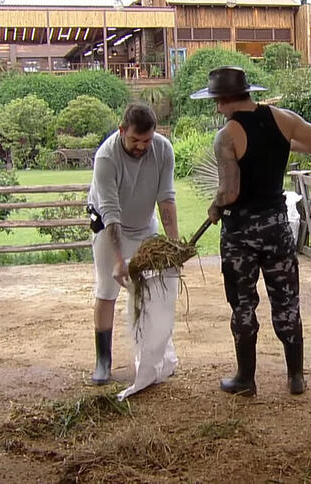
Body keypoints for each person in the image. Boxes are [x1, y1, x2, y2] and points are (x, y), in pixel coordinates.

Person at [190, 66, 311, 396]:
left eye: (216, 101)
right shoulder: (282, 118)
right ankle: (295, 376)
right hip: (277, 227)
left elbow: (231, 192)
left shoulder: (226, 136)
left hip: (240, 234)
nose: (216, 108)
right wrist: (281, 144)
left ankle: (245, 379)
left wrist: (215, 207)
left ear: (224, 100)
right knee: (286, 301)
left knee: (243, 304)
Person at [87, 103, 179, 384]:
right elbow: (111, 214)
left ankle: (152, 358)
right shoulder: (106, 157)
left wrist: (174, 247)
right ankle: (103, 361)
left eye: (147, 140)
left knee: (152, 290)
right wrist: (119, 260)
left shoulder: (163, 150)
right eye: (135, 140)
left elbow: (166, 201)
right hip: (109, 226)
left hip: (145, 226)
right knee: (107, 289)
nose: (141, 146)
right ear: (122, 130)